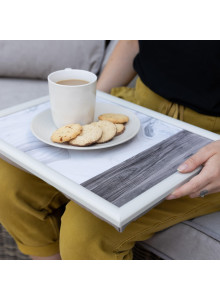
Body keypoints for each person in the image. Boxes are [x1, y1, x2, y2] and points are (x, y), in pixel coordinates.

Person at [0, 40, 220, 260]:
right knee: (7, 181)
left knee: (86, 229)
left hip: (211, 141)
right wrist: (91, 101)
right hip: (139, 106)